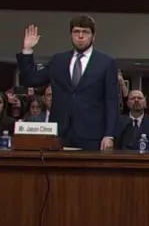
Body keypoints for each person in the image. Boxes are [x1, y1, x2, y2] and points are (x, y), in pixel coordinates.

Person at [16, 15, 118, 151]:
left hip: (92, 135)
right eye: (76, 32)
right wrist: (27, 50)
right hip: (60, 133)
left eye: (85, 32)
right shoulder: (58, 61)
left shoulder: (106, 63)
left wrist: (109, 135)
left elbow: (111, 101)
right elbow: (30, 79)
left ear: (93, 36)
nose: (80, 36)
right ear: (71, 34)